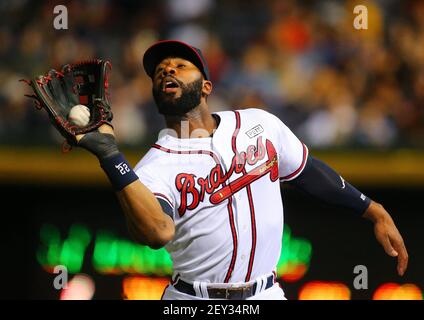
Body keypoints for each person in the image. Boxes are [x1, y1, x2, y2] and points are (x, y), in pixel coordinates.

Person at [77, 40, 408, 300]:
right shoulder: (155, 166)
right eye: (160, 71)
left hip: (266, 293)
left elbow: (307, 172)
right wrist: (110, 157)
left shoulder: (258, 124)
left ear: (206, 87)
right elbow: (156, 232)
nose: (168, 71)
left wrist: (373, 210)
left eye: (180, 65)